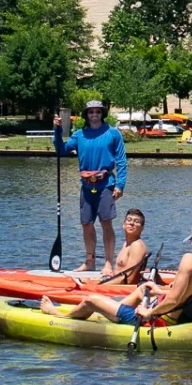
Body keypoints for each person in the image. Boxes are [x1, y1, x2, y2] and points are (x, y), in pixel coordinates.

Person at [52, 218, 192, 327]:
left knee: (90, 300)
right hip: (176, 316)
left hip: (159, 320)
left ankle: (59, 315)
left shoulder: (190, 259)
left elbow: (174, 300)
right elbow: (188, 294)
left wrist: (148, 312)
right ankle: (115, 314)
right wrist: (160, 291)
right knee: (143, 288)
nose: (191, 244)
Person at [58, 100, 128, 272]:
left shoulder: (113, 133)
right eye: (91, 112)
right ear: (86, 115)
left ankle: (108, 263)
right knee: (86, 224)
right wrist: (57, 130)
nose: (94, 115)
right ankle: (90, 262)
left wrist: (120, 184)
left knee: (106, 222)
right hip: (87, 186)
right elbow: (61, 149)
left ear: (102, 114)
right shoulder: (80, 135)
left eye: (97, 112)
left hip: (106, 184)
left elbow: (121, 161)